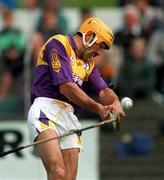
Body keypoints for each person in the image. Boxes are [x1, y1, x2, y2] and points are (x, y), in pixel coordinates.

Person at [27, 17, 125, 180]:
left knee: (68, 178)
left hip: (69, 116)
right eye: (100, 46)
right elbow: (65, 87)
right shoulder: (59, 43)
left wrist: (115, 102)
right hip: (45, 109)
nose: (99, 53)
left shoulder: (89, 64)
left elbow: (103, 91)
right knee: (57, 172)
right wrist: (99, 108)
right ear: (89, 35)